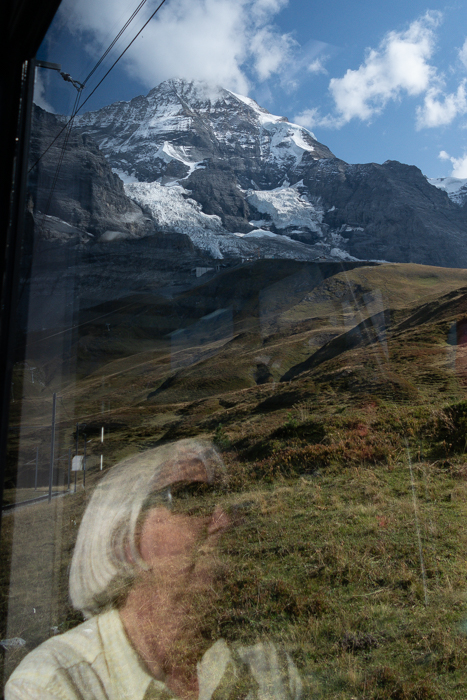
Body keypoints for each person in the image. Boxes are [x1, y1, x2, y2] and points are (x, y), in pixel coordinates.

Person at [5, 439, 303, 699]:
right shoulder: (53, 683)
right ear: (128, 540)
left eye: (228, 496)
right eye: (192, 496)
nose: (225, 520)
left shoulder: (268, 669)